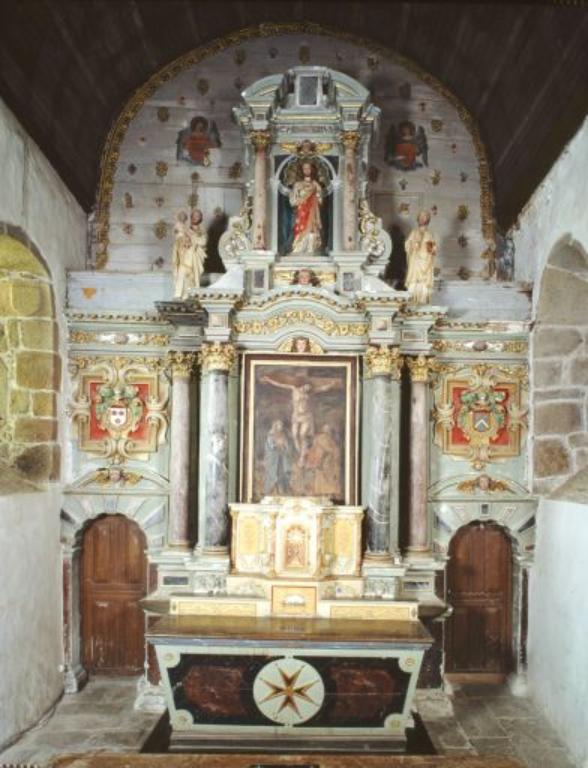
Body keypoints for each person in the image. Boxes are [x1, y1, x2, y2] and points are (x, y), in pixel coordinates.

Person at [288, 161, 323, 254]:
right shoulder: (298, 184)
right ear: (301, 170)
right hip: (302, 210)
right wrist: (301, 199)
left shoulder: (316, 184)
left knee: (312, 228)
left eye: (309, 168)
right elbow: (293, 201)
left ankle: (311, 248)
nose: (307, 170)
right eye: (304, 168)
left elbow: (320, 200)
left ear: (312, 170)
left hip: (313, 210)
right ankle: (299, 247)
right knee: (301, 228)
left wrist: (317, 192)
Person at [172, 209, 207, 300]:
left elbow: (203, 242)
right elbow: (179, 239)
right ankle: (179, 294)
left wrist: (192, 238)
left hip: (195, 257)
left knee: (193, 276)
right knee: (182, 272)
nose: (195, 218)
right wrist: (183, 241)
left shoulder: (202, 231)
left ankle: (192, 294)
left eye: (198, 216)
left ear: (201, 218)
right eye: (194, 216)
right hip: (185, 255)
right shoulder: (185, 229)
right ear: (191, 217)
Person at [404, 210, 437, 305]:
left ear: (428, 220)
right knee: (413, 283)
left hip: (425, 263)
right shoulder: (413, 233)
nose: (422, 219)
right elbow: (407, 245)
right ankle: (413, 301)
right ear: (418, 219)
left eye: (424, 217)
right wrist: (413, 245)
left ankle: (423, 301)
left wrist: (429, 252)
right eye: (420, 217)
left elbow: (432, 251)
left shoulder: (429, 235)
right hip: (415, 262)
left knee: (424, 285)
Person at [305, 424, 342, 499]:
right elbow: (317, 450)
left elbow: (334, 451)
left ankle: (327, 493)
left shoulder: (329, 440)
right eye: (327, 430)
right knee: (321, 477)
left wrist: (333, 455)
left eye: (329, 430)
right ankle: (323, 493)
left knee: (326, 477)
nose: (328, 432)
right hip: (323, 462)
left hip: (327, 462)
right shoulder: (321, 439)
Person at [263, 420, 293, 496]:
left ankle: (282, 489)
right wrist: (278, 445)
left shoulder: (283, 436)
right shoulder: (271, 435)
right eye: (279, 425)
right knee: (273, 474)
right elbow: (271, 446)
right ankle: (270, 491)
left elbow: (287, 447)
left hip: (282, 459)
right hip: (274, 459)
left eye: (282, 425)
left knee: (282, 474)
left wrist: (284, 446)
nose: (281, 427)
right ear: (275, 426)